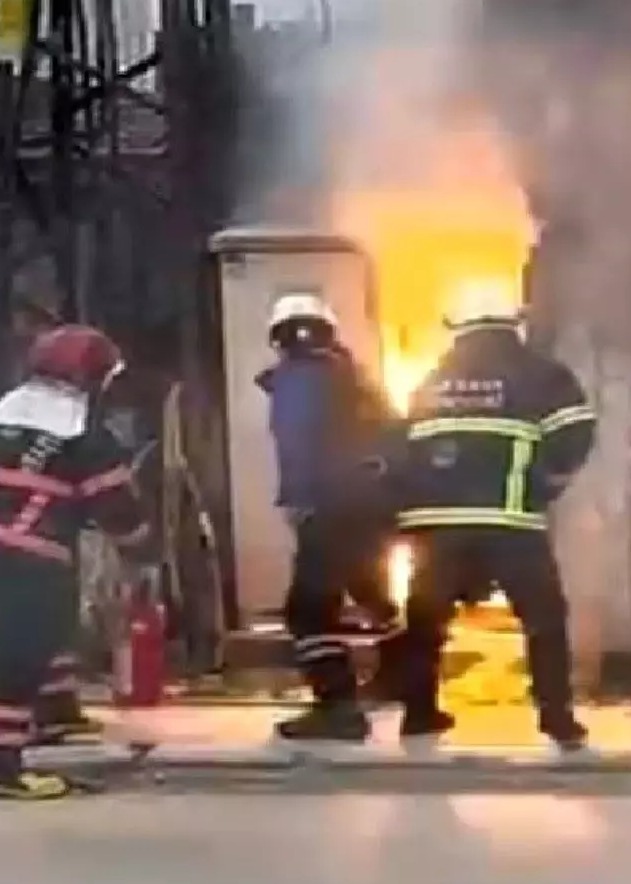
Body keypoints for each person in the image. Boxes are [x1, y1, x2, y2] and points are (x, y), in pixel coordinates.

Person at [378, 281, 597, 748]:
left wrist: (401, 511)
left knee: (426, 621)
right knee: (543, 617)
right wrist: (545, 483)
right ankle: (556, 718)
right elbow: (577, 430)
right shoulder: (539, 374)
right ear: (510, 322)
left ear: (457, 326)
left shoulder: (430, 381)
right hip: (509, 523)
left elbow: (401, 450)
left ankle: (418, 714)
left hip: (436, 527)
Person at [0, 324, 154, 799]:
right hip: (24, 545)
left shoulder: (12, 409)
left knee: (49, 618)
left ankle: (56, 712)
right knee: (22, 644)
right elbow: (117, 508)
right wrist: (143, 549)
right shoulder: (85, 434)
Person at [256, 292, 402, 743]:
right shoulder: (355, 378)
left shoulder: (299, 378)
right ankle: (405, 679)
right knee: (372, 597)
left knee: (308, 611)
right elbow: (395, 433)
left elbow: (299, 444)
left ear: (279, 338)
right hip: (370, 507)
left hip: (328, 505)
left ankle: (337, 708)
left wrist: (300, 502)